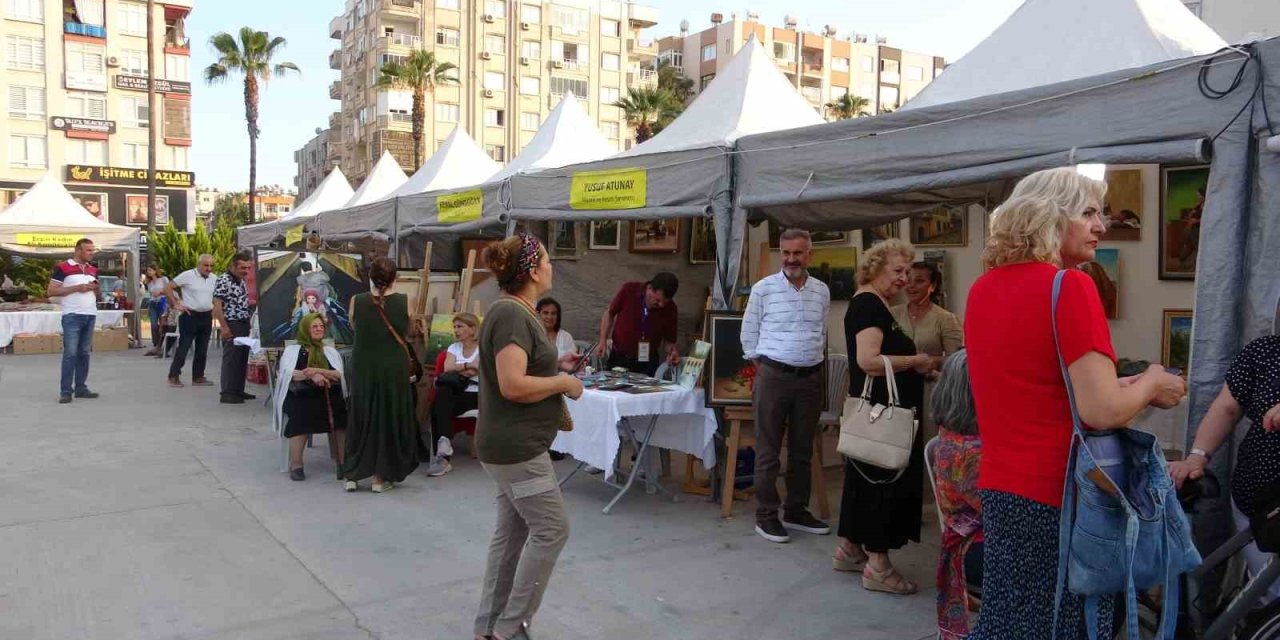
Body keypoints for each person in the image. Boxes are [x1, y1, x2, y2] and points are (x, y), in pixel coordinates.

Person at [965, 168, 1186, 639]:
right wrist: (1151, 383)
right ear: (1049, 216)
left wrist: (1128, 385)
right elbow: (1100, 410)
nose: (1101, 225)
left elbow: (1042, 390)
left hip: (1003, 488)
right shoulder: (1071, 287)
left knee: (1008, 619)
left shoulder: (983, 289)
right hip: (1064, 495)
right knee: (1068, 625)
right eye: (1087, 213)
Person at [473, 233, 583, 640]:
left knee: (513, 535)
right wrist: (562, 382)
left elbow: (520, 369)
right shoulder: (513, 315)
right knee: (553, 529)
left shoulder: (516, 312)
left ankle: (490, 627)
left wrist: (557, 362)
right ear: (534, 270)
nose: (553, 268)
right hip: (516, 450)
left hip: (509, 447)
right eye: (549, 261)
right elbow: (513, 385)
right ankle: (509, 627)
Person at [836, 238, 934, 595]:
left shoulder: (873, 304)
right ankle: (878, 567)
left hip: (877, 414)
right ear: (874, 269)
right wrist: (916, 361)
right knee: (882, 484)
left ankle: (849, 549)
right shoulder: (868, 307)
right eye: (897, 271)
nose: (904, 279)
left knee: (864, 480)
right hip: (883, 418)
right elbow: (868, 361)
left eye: (908, 271)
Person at [1169, 332, 1280, 606]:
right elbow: (1227, 408)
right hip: (1260, 501)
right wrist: (1196, 458)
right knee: (1269, 598)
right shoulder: (1265, 351)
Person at [740, 228, 832, 544]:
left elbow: (821, 332)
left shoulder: (821, 291)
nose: (792, 259)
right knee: (768, 452)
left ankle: (796, 510)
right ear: (781, 253)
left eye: (798, 252)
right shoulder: (763, 289)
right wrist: (766, 370)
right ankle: (766, 516)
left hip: (810, 379)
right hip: (773, 378)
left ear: (809, 254)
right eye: (787, 253)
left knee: (803, 451)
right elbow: (748, 336)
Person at [342, 257, 424, 493]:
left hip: (364, 364)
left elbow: (355, 328)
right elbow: (408, 333)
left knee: (362, 414)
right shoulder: (405, 301)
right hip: (392, 366)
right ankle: (380, 477)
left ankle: (353, 474)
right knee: (388, 416)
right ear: (395, 278)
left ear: (370, 277)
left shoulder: (356, 301)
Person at [930, 350, 983, 640]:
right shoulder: (973, 452)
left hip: (961, 544)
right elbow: (1003, 508)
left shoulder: (950, 436)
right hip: (974, 551)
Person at [891, 261, 963, 437]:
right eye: (909, 280)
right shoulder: (891, 314)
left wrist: (930, 361)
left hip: (929, 389)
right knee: (896, 441)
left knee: (925, 438)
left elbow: (957, 362)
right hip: (895, 387)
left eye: (919, 281)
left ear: (933, 286)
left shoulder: (946, 319)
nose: (912, 286)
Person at [272, 313, 347, 482]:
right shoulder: (293, 351)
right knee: (302, 415)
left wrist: (318, 371)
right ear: (306, 329)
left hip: (327, 394)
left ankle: (343, 463)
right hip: (300, 395)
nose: (319, 329)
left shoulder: (329, 351)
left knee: (341, 417)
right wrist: (310, 376)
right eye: (314, 326)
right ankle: (296, 464)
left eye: (321, 326)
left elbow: (338, 374)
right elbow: (288, 374)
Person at [426, 312, 481, 478]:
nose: (456, 331)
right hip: (455, 393)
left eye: (460, 327)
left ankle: (442, 456)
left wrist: (460, 367)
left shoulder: (483, 348)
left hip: (476, 396)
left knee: (440, 400)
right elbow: (447, 368)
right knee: (441, 396)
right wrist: (467, 365)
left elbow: (476, 368)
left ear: (472, 329)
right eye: (455, 327)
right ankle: (443, 448)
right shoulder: (453, 348)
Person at [593, 272, 680, 376]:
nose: (661, 305)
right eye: (657, 300)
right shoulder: (629, 290)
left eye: (665, 302)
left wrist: (672, 351)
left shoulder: (671, 308)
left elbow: (669, 341)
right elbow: (609, 313)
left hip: (648, 362)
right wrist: (602, 340)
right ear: (650, 288)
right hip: (620, 358)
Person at [48, 238, 101, 404]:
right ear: (78, 250)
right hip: (72, 315)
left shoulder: (93, 270)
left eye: (92, 250)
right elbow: (51, 291)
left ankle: (81, 388)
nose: (91, 253)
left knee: (84, 353)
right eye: (88, 250)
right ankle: (65, 391)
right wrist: (77, 288)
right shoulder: (63, 267)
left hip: (90, 314)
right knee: (70, 352)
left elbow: (97, 295)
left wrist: (96, 288)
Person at [166, 254, 217, 388]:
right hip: (190, 316)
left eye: (211, 265)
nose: (209, 268)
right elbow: (168, 287)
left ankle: (198, 377)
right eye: (206, 265)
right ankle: (173, 376)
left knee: (202, 349)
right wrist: (175, 303)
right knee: (184, 347)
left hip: (206, 316)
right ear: (199, 264)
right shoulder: (188, 275)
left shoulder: (214, 278)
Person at [214, 251, 255, 404]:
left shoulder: (241, 281)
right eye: (243, 268)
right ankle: (227, 392)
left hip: (243, 323)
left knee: (242, 358)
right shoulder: (224, 280)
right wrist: (224, 327)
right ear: (233, 265)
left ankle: (238, 389)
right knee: (231, 359)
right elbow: (217, 307)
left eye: (248, 268)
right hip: (232, 323)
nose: (246, 271)